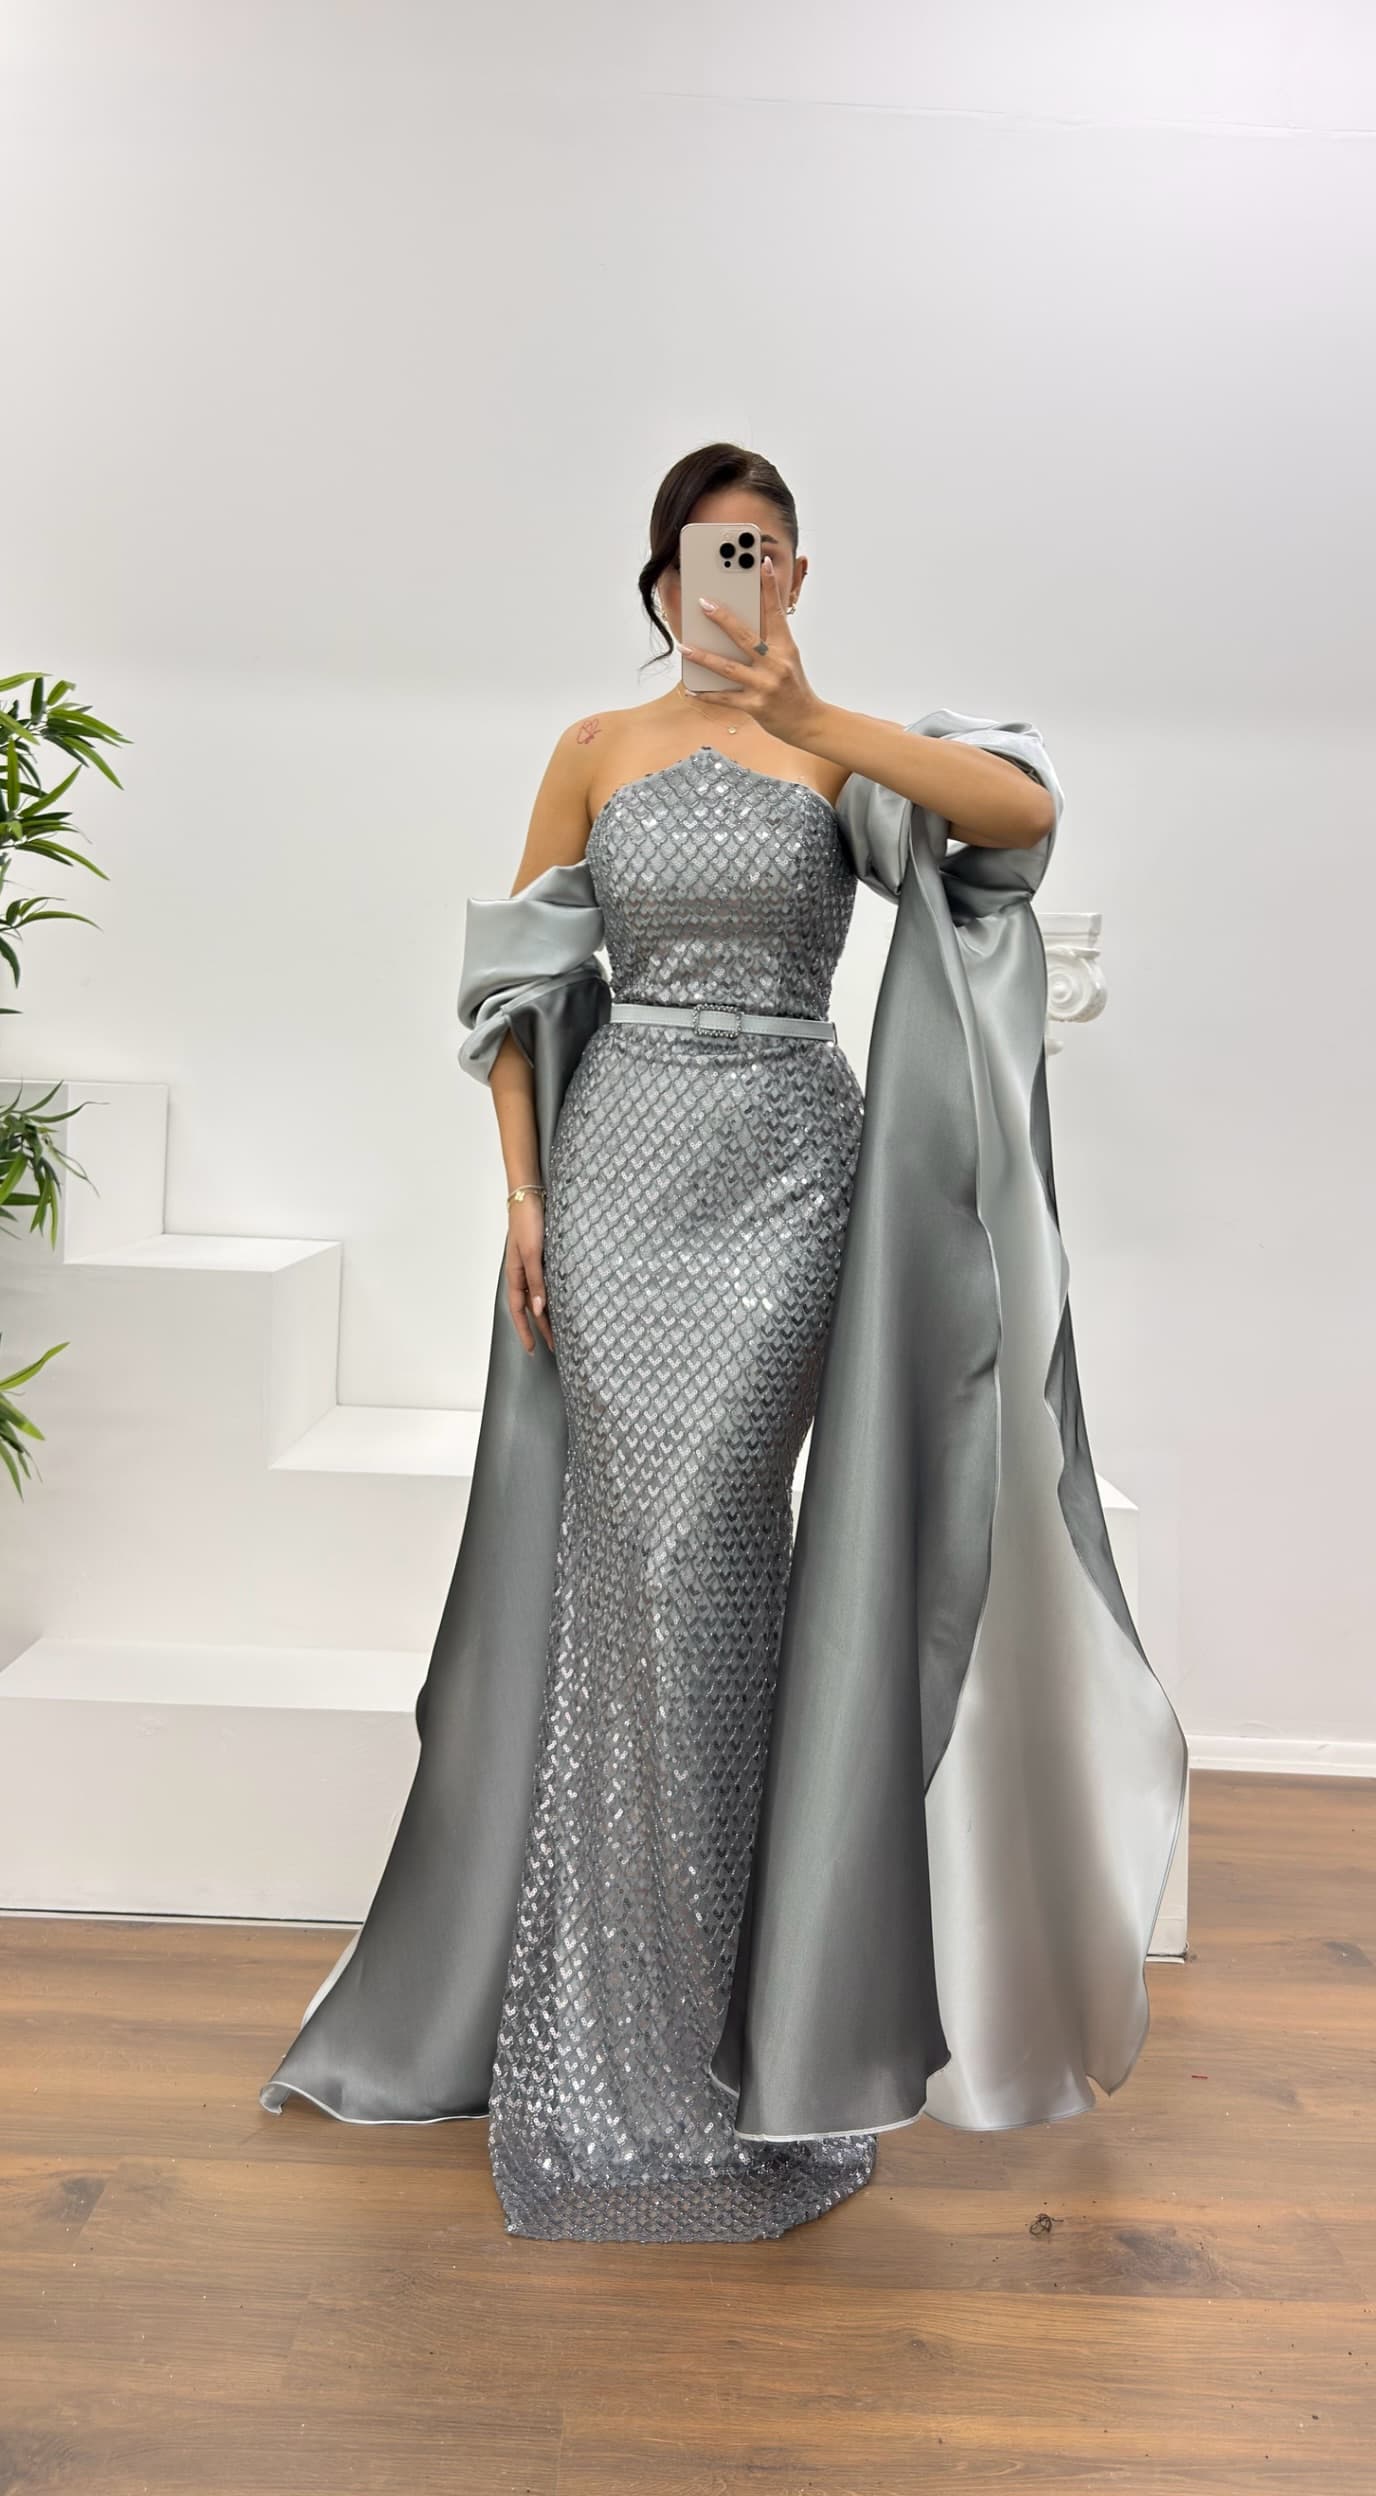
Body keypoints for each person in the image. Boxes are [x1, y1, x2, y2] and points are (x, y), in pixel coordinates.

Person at [259, 443, 1189, 2249]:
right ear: (660, 576)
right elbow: (518, 988)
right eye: (707, 551)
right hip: (615, 1182)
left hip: (786, 1184)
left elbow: (1018, 823)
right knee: (633, 1579)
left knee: (718, 1571)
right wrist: (524, 1196)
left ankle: (739, 2032)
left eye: (761, 549)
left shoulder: (837, 754)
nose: (733, 574)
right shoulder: (592, 751)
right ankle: (606, 2020)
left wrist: (817, 712)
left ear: (798, 573)